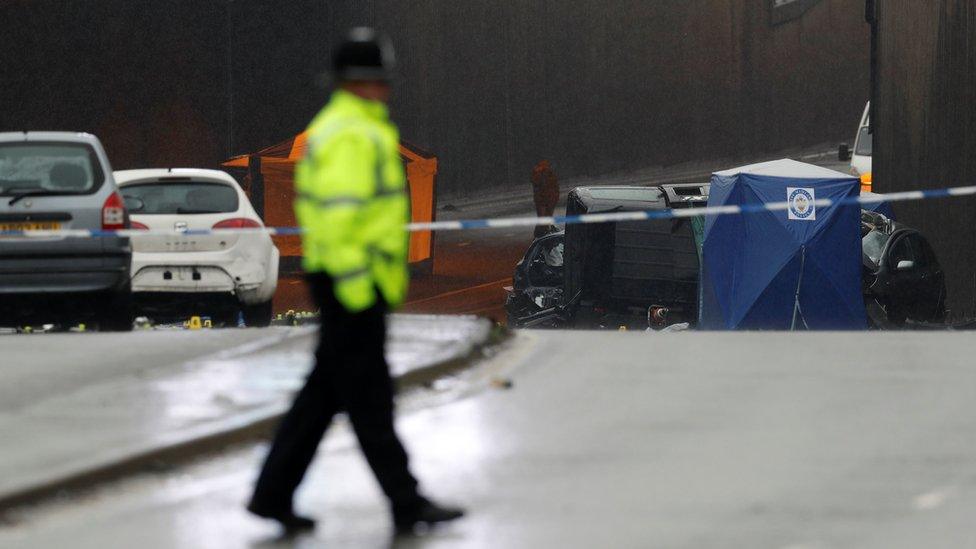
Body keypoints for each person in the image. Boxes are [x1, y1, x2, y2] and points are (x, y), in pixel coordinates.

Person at [247, 27, 464, 534]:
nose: (386, 89)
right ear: (362, 82)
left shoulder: (348, 128)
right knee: (370, 401)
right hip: (353, 284)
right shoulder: (351, 133)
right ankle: (406, 502)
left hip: (349, 283)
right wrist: (357, 287)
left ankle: (271, 494)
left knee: (324, 397)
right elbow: (342, 218)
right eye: (379, 80)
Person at [530, 160, 559, 238]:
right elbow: (554, 186)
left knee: (542, 218)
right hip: (548, 199)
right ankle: (544, 233)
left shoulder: (537, 173)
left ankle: (541, 234)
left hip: (542, 199)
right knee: (546, 217)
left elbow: (536, 185)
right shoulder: (549, 173)